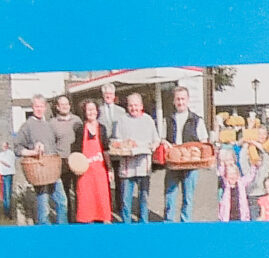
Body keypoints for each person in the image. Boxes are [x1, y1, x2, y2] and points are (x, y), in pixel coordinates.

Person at [15, 99, 67, 224]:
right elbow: (17, 148)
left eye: (41, 106)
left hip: (52, 170)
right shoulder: (26, 126)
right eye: (37, 106)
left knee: (62, 201)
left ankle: (63, 231)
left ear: (45, 108)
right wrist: (33, 152)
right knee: (44, 207)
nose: (39, 109)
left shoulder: (48, 125)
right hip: (39, 171)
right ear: (32, 107)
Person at [158, 88, 204, 221]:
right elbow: (161, 139)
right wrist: (165, 143)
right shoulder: (168, 120)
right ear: (174, 101)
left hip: (191, 165)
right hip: (173, 163)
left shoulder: (197, 120)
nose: (180, 102)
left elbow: (204, 141)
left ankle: (185, 224)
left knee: (188, 198)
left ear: (188, 100)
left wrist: (194, 151)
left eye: (183, 99)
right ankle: (169, 223)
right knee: (169, 196)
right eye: (178, 99)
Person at [114, 89, 158, 222]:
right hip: (127, 168)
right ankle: (126, 223)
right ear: (127, 107)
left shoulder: (148, 120)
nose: (134, 108)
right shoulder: (122, 121)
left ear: (141, 106)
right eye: (131, 105)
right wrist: (125, 145)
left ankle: (143, 222)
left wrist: (153, 146)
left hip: (143, 166)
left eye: (136, 105)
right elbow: (117, 141)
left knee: (143, 197)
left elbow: (155, 139)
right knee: (126, 199)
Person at [73, 99, 115, 225]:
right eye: (88, 110)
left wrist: (110, 169)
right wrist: (77, 166)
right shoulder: (80, 130)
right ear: (84, 112)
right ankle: (87, 221)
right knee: (86, 198)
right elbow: (76, 151)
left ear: (97, 111)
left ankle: (105, 220)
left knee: (102, 197)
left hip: (100, 170)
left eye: (93, 109)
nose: (91, 112)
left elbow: (106, 150)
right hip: (85, 172)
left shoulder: (101, 128)